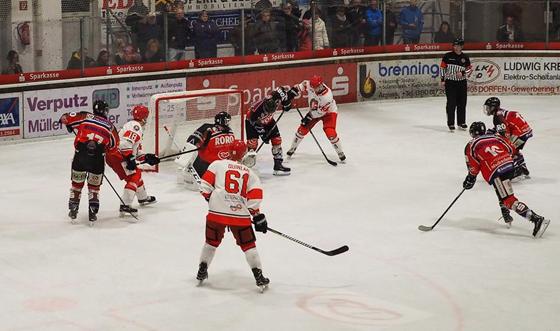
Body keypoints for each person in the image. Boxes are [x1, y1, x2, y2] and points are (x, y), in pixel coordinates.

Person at [196, 140, 270, 291]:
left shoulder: (217, 164)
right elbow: (255, 197)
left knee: (211, 242)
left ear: (228, 151)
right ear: (244, 154)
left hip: (216, 213)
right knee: (249, 245)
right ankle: (259, 276)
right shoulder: (250, 173)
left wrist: (214, 201)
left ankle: (202, 270)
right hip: (240, 216)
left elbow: (204, 186)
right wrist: (257, 216)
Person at [463, 122, 550, 237]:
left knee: (508, 199)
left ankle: (536, 219)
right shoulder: (496, 137)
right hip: (509, 166)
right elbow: (511, 148)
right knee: (502, 191)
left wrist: (470, 179)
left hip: (496, 170)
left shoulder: (470, 145)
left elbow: (474, 167)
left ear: (472, 133)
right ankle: (505, 213)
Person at [59, 100, 120, 224]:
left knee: (76, 185)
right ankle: (92, 212)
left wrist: (69, 125)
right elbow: (113, 147)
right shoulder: (110, 126)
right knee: (94, 188)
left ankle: (73, 209)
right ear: (105, 111)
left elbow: (64, 118)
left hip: (80, 155)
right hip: (97, 159)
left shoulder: (85, 116)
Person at [106, 105, 159, 216]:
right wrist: (129, 158)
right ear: (144, 118)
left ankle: (143, 198)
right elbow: (125, 144)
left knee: (135, 174)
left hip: (116, 155)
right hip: (118, 156)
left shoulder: (131, 125)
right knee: (134, 176)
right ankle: (125, 204)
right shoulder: (136, 126)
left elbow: (135, 152)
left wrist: (148, 157)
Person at [286, 75, 346, 162]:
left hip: (328, 113)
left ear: (321, 85)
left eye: (318, 87)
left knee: (330, 132)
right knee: (302, 130)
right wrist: (293, 92)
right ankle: (292, 148)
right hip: (314, 111)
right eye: (314, 87)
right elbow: (302, 85)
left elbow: (319, 113)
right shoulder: (310, 85)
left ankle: (340, 152)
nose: (316, 89)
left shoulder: (327, 96)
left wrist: (308, 117)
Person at [175, 112, 236, 189]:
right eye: (227, 121)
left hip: (219, 165)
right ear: (222, 121)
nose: (228, 123)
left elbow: (191, 141)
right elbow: (191, 141)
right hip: (212, 166)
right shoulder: (210, 129)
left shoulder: (228, 131)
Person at [245, 87, 293, 175]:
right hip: (252, 122)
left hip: (269, 121)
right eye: (267, 111)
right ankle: (246, 168)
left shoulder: (277, 96)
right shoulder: (256, 111)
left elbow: (286, 97)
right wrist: (264, 135)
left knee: (277, 140)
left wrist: (287, 105)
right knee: (253, 144)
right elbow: (256, 124)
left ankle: (278, 166)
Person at [483, 97, 532, 178]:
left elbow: (505, 134)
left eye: (488, 108)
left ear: (493, 107)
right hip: (526, 132)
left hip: (520, 134)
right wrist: (494, 130)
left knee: (507, 148)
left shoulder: (497, 117)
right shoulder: (500, 112)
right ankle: (522, 166)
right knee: (514, 149)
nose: (487, 110)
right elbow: (505, 124)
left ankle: (517, 170)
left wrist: (497, 138)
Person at [440, 38, 471, 131]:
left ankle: (461, 122)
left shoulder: (465, 57)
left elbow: (469, 69)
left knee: (462, 103)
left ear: (462, 46)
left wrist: (463, 72)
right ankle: (451, 123)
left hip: (462, 83)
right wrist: (442, 79)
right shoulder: (447, 56)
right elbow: (442, 68)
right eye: (454, 45)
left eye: (458, 45)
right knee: (451, 103)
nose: (456, 47)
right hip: (450, 82)